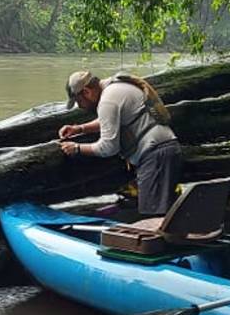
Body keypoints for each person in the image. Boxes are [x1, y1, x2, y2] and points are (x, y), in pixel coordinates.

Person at [57, 70, 182, 217]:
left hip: (155, 156)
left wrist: (77, 148)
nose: (80, 106)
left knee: (154, 215)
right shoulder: (115, 88)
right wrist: (80, 129)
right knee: (169, 213)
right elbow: (109, 120)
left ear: (86, 91)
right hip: (165, 150)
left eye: (79, 101)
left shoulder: (107, 100)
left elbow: (108, 147)